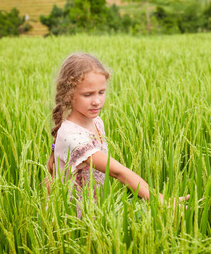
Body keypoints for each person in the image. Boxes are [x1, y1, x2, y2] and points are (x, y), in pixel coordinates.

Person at [45, 53, 189, 215]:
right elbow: (117, 172)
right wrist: (159, 200)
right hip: (71, 216)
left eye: (101, 92)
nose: (97, 101)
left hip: (94, 209)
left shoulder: (96, 122)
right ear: (68, 94)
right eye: (88, 94)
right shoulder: (72, 137)